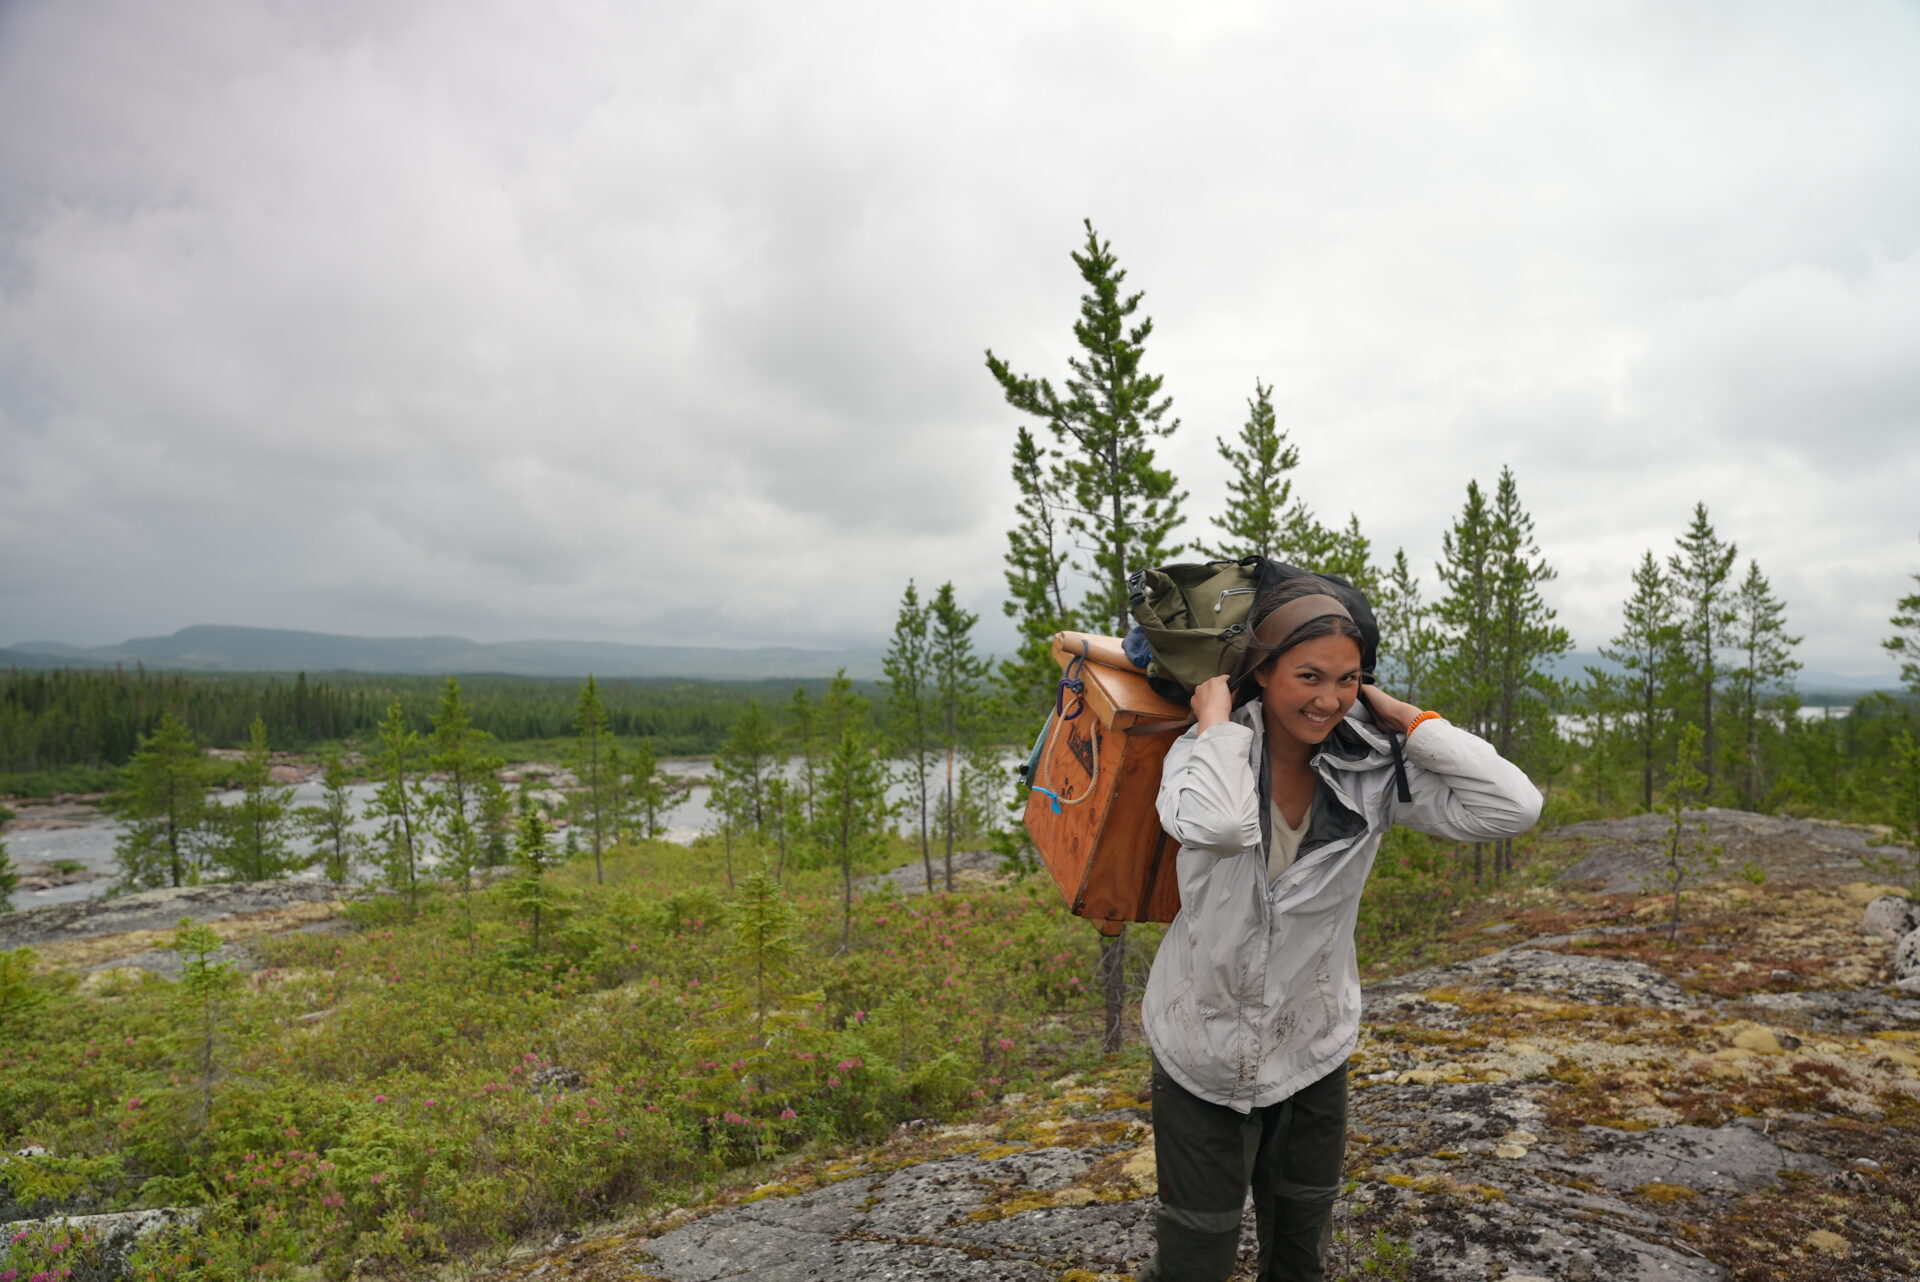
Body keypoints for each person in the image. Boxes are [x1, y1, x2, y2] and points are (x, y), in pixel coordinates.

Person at [1111, 577, 1541, 1282]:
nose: (1327, 699)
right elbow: (1217, 826)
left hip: (1311, 1048)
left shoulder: (1368, 770)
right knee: (1196, 1260)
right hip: (1202, 1053)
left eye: (1348, 679)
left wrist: (1406, 719)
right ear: (1262, 672)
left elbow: (1513, 807)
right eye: (1308, 676)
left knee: (1300, 1257)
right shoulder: (1203, 755)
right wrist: (1217, 723)